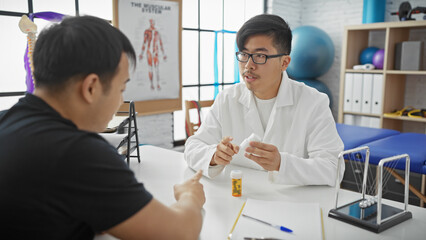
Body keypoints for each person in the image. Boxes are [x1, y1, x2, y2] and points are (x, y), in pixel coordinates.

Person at [0, 16, 205, 239]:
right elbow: (179, 233)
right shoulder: (78, 153)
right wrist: (190, 196)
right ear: (91, 88)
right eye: (121, 88)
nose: (121, 101)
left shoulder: (6, 121)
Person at [184, 14, 344, 186]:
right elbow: (193, 146)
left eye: (260, 56)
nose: (248, 65)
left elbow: (333, 168)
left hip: (291, 204)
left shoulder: (313, 102)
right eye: (244, 54)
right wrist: (214, 156)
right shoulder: (227, 99)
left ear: (284, 62)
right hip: (237, 199)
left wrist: (281, 163)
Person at [139, 18, 167, 90]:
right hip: (149, 51)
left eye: (153, 22)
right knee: (150, 68)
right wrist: (141, 53)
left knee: (157, 68)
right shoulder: (147, 31)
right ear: (150, 23)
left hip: (155, 51)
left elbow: (160, 43)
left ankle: (157, 84)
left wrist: (163, 54)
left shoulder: (157, 32)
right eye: (151, 22)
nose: (152, 23)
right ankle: (151, 84)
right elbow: (144, 42)